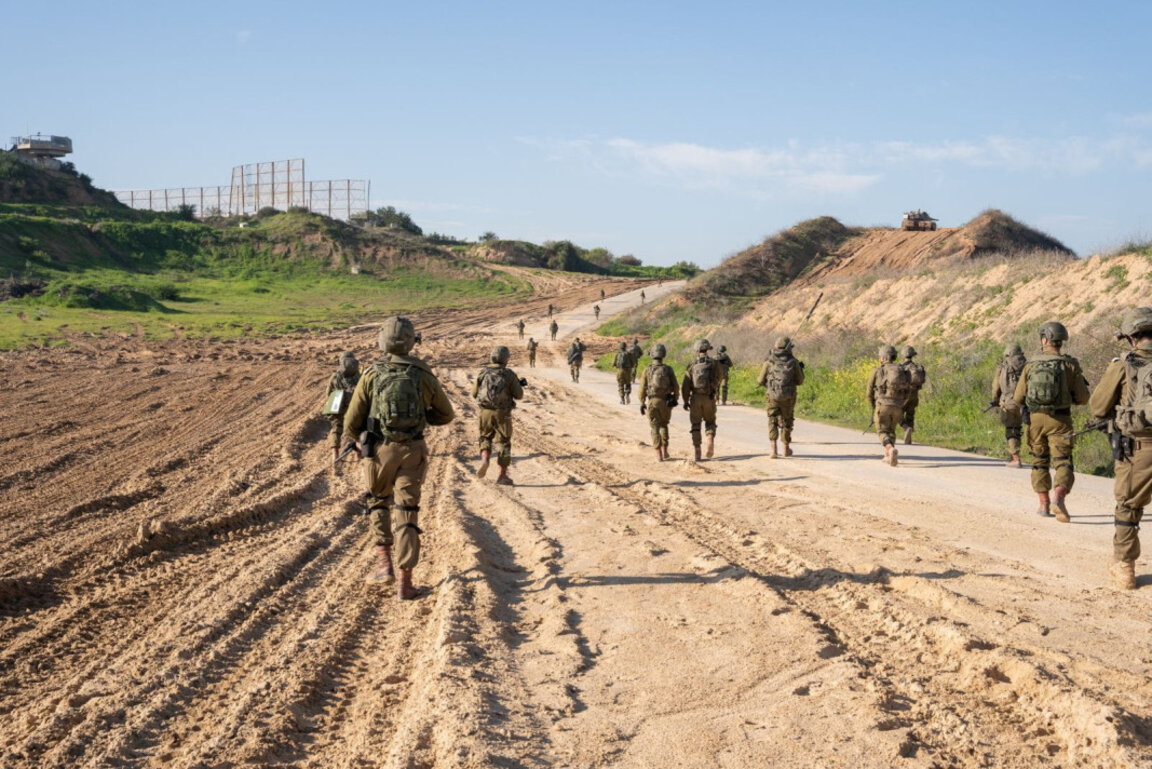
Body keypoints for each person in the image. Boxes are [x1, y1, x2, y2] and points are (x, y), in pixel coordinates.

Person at [344, 316, 455, 600]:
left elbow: (352, 422)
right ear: (412, 342)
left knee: (378, 502)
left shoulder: (371, 374)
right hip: (412, 451)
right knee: (408, 511)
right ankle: (405, 583)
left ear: (382, 341)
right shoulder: (423, 374)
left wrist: (356, 443)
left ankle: (385, 565)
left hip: (378, 452)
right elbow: (446, 414)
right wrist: (422, 417)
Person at [1089, 307, 1152, 589]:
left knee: (1127, 505)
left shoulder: (1123, 364)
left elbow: (1098, 406)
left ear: (1132, 336)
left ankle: (1124, 566)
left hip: (1140, 447)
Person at [1013, 321, 1090, 521]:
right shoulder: (1069, 364)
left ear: (1044, 339)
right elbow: (1083, 398)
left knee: (1039, 462)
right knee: (1063, 461)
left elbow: (1018, 398)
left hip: (1035, 420)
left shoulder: (1030, 365)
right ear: (1061, 341)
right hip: (1061, 420)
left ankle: (1043, 504)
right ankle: (1059, 497)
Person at [473, 345, 525, 486]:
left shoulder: (483, 373)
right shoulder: (508, 374)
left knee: (485, 437)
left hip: (485, 412)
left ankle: (484, 459)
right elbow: (519, 395)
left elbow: (474, 393)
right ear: (506, 359)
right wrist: (517, 385)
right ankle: (502, 475)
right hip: (503, 413)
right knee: (504, 442)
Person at [757, 337, 805, 458]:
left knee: (772, 419)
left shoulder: (769, 362)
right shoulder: (793, 362)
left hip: (772, 396)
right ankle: (785, 448)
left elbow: (760, 380)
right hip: (789, 397)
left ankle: (773, 448)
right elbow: (800, 381)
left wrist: (768, 386)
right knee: (787, 420)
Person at [867, 345, 911, 467]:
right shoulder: (902, 370)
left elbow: (869, 392)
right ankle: (887, 455)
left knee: (882, 430)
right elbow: (908, 391)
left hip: (882, 404)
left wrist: (873, 406)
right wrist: (901, 404)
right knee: (891, 430)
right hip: (898, 405)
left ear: (883, 357)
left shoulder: (878, 370)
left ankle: (890, 448)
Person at [681, 339, 722, 461]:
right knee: (710, 421)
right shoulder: (714, 363)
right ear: (708, 349)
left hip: (695, 398)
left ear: (697, 350)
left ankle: (697, 452)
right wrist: (713, 389)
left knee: (695, 425)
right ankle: (709, 438)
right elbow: (720, 377)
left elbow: (685, 386)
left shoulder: (691, 365)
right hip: (709, 397)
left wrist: (685, 400)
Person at [639, 343, 678, 461]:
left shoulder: (647, 370)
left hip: (652, 401)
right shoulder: (668, 369)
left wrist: (642, 402)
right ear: (663, 355)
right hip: (666, 401)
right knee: (664, 425)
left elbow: (642, 388)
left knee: (654, 426)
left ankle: (658, 453)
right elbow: (676, 386)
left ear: (652, 355)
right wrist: (675, 399)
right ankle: (665, 450)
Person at [992, 343, 1027, 467]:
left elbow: (996, 386)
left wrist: (995, 400)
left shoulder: (1003, 366)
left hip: (1009, 402)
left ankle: (1015, 458)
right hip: (1026, 403)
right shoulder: (1027, 365)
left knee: (1012, 429)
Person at [322, 351, 360, 464]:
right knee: (357, 429)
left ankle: (335, 455)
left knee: (336, 428)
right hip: (354, 408)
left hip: (339, 408)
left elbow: (329, 393)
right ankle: (358, 454)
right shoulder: (358, 375)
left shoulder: (335, 376)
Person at [899, 346, 927, 444]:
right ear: (913, 355)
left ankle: (906, 428)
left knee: (898, 414)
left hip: (904, 394)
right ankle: (909, 439)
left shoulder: (900, 367)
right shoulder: (918, 367)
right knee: (910, 415)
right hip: (915, 395)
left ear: (903, 355)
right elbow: (923, 380)